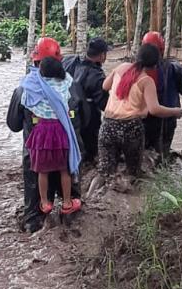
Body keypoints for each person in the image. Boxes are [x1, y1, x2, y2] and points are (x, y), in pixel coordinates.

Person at [7, 37, 84, 233]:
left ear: (35, 62)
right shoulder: (71, 85)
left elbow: (14, 125)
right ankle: (69, 215)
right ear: (60, 62)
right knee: (72, 198)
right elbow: (88, 120)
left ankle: (35, 219)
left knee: (34, 212)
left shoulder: (24, 89)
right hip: (67, 150)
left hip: (36, 154)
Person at [97, 42, 182, 179]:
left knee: (104, 173)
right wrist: (175, 111)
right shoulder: (147, 81)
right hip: (130, 128)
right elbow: (155, 110)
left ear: (137, 57)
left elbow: (105, 86)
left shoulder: (122, 67)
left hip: (108, 126)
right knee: (133, 173)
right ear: (155, 65)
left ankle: (91, 198)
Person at [21, 56, 82, 215]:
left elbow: (26, 102)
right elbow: (70, 91)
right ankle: (67, 203)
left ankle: (45, 203)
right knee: (64, 170)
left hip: (41, 133)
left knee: (42, 171)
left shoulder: (34, 87)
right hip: (60, 131)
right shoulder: (65, 84)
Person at [141, 30, 182, 161]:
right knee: (162, 153)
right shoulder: (174, 67)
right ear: (162, 49)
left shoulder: (136, 69)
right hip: (168, 117)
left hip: (144, 118)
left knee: (145, 152)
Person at [62, 37, 109, 162]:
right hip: (87, 119)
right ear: (102, 55)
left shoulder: (68, 60)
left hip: (64, 112)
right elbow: (104, 104)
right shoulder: (97, 76)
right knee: (90, 151)